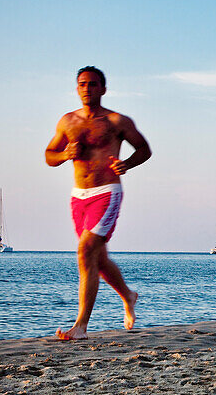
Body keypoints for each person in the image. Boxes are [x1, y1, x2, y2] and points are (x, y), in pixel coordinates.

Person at [45, 67, 151, 340]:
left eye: (93, 84)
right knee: (98, 258)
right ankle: (128, 295)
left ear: (103, 89)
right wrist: (65, 153)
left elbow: (144, 149)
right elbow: (49, 155)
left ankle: (80, 325)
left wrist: (127, 163)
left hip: (107, 192)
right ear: (76, 88)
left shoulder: (117, 121)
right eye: (82, 84)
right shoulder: (67, 122)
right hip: (78, 196)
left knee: (85, 250)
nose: (87, 89)